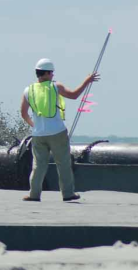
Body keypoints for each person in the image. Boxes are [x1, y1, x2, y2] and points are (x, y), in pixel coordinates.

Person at [20, 59, 100, 202]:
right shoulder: (56, 86)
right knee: (63, 164)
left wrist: (35, 126)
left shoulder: (28, 90)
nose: (52, 75)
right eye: (52, 73)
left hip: (38, 135)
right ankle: (68, 194)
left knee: (38, 165)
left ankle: (34, 194)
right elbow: (74, 95)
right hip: (57, 132)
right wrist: (87, 81)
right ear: (47, 73)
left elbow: (24, 113)